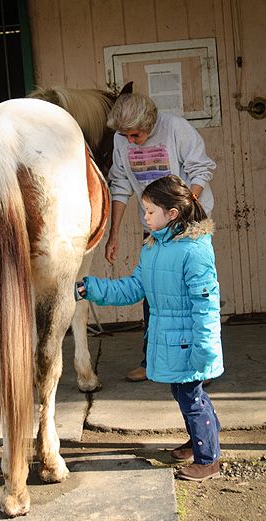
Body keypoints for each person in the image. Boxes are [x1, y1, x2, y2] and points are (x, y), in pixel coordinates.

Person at [76, 175, 223, 481]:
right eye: (144, 211)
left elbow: (206, 304)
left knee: (191, 398)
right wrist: (90, 288)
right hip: (169, 339)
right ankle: (198, 440)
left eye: (150, 211)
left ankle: (209, 459)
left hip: (189, 342)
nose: (145, 217)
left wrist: (206, 349)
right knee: (186, 394)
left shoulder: (194, 250)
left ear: (172, 214)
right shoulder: (153, 247)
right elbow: (133, 288)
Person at [104, 92, 216, 382]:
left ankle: (202, 362)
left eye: (135, 135)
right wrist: (113, 233)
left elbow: (200, 169)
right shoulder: (121, 140)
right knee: (153, 295)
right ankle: (151, 361)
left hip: (187, 225)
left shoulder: (175, 128)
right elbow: (119, 185)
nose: (130, 140)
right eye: (124, 135)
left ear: (150, 123)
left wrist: (180, 212)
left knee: (192, 295)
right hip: (155, 226)